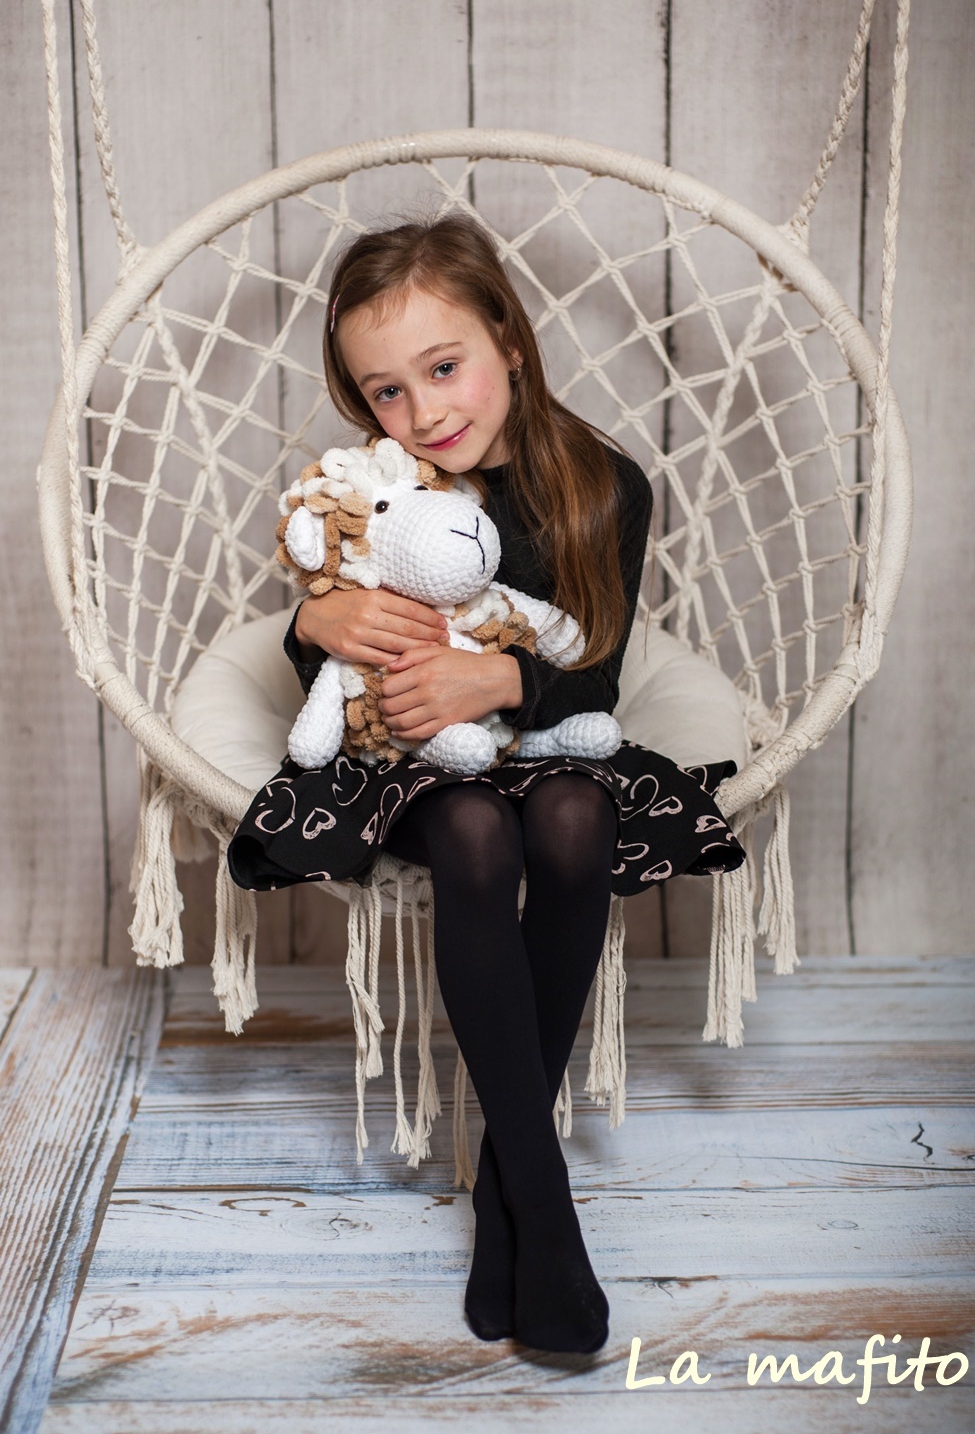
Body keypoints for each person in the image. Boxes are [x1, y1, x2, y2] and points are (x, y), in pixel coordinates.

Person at [228, 213, 746, 1355]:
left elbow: (595, 672)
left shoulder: (606, 485)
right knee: (476, 834)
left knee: (572, 816)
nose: (424, 413)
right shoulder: (379, 489)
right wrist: (317, 621)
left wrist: (498, 679)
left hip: (544, 738)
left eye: (443, 367)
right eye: (388, 391)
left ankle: (507, 1197)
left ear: (509, 338)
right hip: (415, 766)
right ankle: (545, 1211)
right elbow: (336, 667)